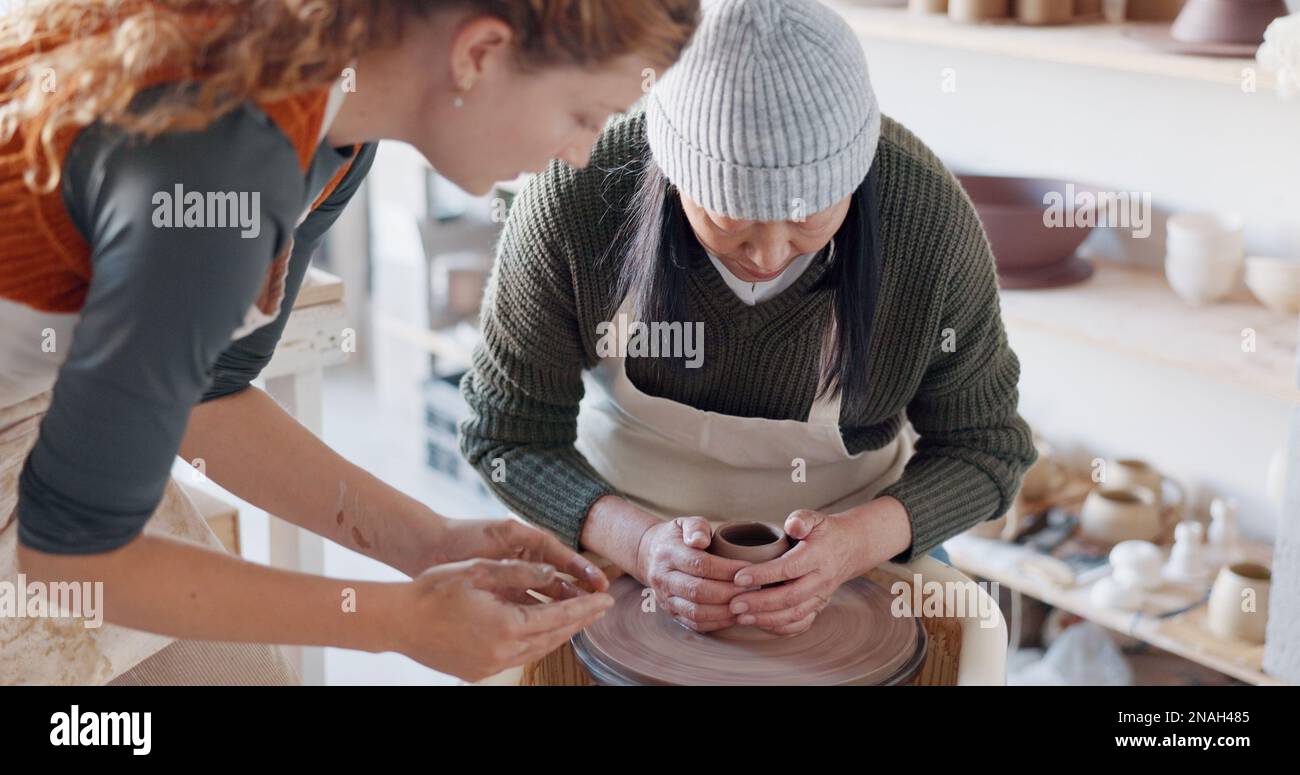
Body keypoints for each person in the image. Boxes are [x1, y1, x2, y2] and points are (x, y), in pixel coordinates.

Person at [0, 0, 699, 684]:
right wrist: (398, 622)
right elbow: (72, 558)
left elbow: (203, 398)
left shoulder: (333, 125)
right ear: (478, 54)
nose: (580, 155)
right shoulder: (222, 176)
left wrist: (430, 543)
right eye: (586, 117)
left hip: (47, 412)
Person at [461, 0, 1037, 637]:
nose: (766, 254)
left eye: (808, 219)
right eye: (728, 220)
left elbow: (986, 447)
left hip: (853, 548)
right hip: (620, 531)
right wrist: (642, 544)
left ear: (857, 171)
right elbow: (507, 433)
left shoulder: (928, 223)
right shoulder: (576, 194)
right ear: (675, 176)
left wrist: (853, 545)